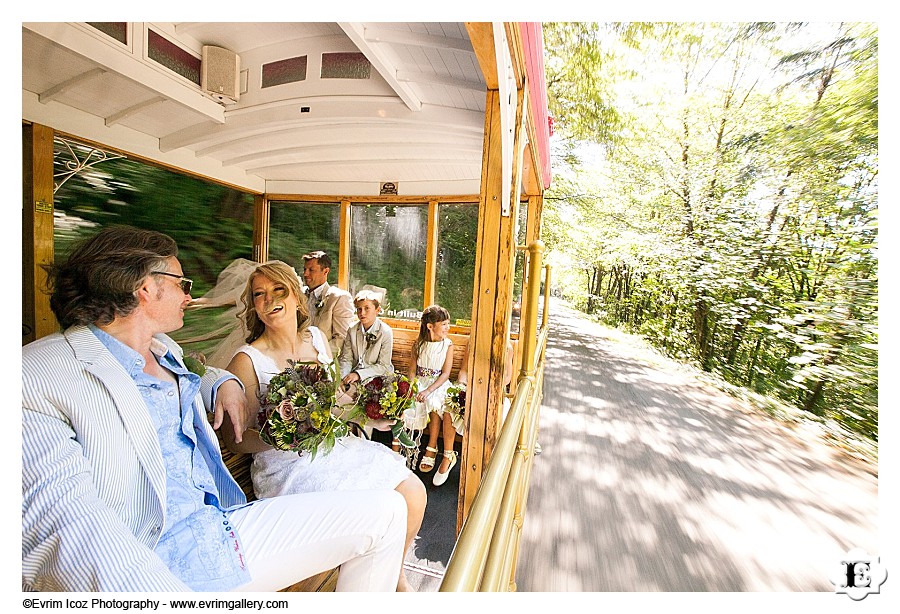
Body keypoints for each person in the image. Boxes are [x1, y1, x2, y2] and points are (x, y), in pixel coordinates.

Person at [22, 226, 407, 592]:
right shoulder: (37, 377)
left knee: (390, 510)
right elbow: (69, 532)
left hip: (220, 527)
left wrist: (221, 382)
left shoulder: (163, 349)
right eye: (181, 284)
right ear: (144, 288)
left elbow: (194, 368)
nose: (190, 296)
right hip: (159, 560)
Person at [222, 261, 426, 592]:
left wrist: (367, 412)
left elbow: (333, 400)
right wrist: (280, 434)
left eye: (278, 290)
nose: (269, 299)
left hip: (333, 448)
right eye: (259, 294)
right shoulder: (247, 360)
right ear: (253, 305)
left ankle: (395, 574)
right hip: (288, 465)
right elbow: (236, 442)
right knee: (369, 508)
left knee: (413, 492)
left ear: (295, 296)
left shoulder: (316, 338)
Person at [406, 305, 457, 486]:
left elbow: (445, 374)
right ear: (430, 326)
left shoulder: (447, 346)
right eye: (443, 324)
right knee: (410, 401)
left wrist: (428, 390)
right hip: (421, 381)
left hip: (438, 383)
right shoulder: (418, 345)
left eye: (447, 324)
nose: (447, 328)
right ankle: (402, 447)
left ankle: (432, 447)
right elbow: (412, 370)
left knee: (436, 403)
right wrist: (413, 387)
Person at [302, 250, 354, 356]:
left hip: (322, 360)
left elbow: (341, 339)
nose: (305, 274)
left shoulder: (339, 298)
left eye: (311, 270)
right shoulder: (298, 295)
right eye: (305, 269)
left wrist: (316, 357)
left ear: (325, 271)